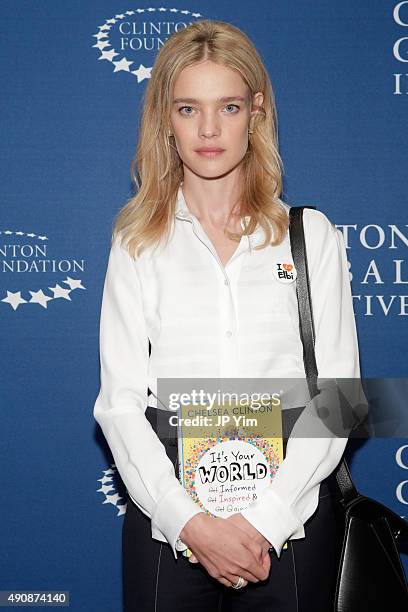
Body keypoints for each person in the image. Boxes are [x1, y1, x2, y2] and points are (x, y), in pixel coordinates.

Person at [93, 19, 367, 612]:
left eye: (229, 106)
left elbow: (340, 397)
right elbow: (118, 404)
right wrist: (188, 522)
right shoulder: (137, 242)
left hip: (290, 522)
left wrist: (265, 521)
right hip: (168, 525)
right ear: (165, 118)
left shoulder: (310, 236)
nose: (210, 129)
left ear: (257, 111)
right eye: (189, 108)